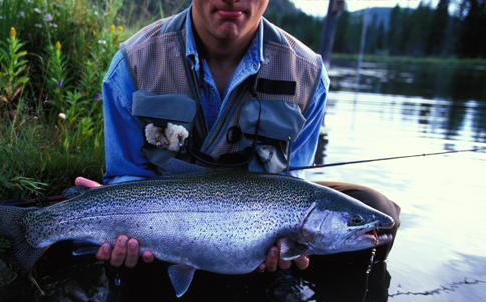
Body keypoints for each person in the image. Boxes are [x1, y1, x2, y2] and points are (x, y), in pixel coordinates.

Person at [76, 0, 400, 272]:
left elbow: (293, 183)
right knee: (113, 252)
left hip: (257, 243)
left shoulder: (307, 75)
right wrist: (105, 208)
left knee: (377, 210)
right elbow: (126, 176)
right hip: (159, 233)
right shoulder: (134, 63)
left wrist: (288, 251)